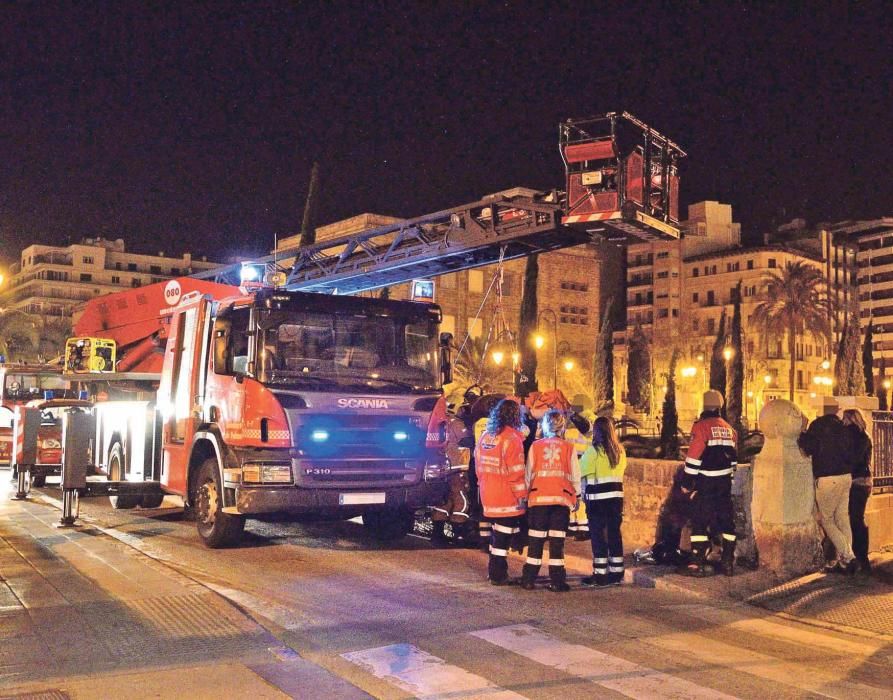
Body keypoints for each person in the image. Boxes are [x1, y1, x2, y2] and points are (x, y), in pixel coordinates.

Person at [520, 410, 581, 592]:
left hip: (538, 501)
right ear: (562, 426)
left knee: (536, 542)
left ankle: (529, 579)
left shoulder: (536, 447)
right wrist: (576, 496)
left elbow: (528, 474)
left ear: (544, 425)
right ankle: (557, 581)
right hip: (561, 501)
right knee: (557, 542)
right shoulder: (569, 447)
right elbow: (575, 475)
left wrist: (524, 496)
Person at [681, 390, 738, 577]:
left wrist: (687, 483)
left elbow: (693, 459)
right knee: (726, 521)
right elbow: (733, 462)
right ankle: (728, 561)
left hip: (706, 482)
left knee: (700, 520)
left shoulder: (701, 427)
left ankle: (697, 562)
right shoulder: (730, 429)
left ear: (704, 406)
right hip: (724, 484)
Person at [798, 396, 858, 575]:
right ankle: (845, 561)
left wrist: (802, 429)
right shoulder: (844, 427)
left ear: (823, 409)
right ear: (837, 409)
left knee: (826, 520)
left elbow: (807, 449)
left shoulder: (817, 425)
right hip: (846, 476)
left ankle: (849, 556)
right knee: (842, 518)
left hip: (827, 478)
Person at [474, 398, 528, 585]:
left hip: (488, 493)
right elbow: (516, 473)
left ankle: (494, 572)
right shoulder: (512, 439)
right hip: (506, 497)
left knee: (497, 534)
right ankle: (498, 574)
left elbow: (478, 466)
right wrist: (522, 497)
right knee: (502, 538)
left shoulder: (486, 436)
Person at [581, 416, 628, 587]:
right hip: (615, 499)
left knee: (598, 537)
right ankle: (617, 572)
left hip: (597, 500)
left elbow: (582, 471)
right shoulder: (620, 451)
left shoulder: (593, 451)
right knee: (614, 534)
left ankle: (600, 574)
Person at [843, 408, 872, 573]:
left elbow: (853, 459)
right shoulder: (865, 436)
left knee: (855, 519)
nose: (842, 422)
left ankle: (860, 557)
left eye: (845, 419)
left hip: (856, 481)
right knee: (856, 518)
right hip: (864, 481)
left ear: (851, 420)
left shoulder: (856, 437)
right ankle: (861, 557)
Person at [565, 413, 592, 541]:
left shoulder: (569, 427)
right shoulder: (586, 428)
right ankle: (576, 525)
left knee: (576, 495)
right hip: (579, 462)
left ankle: (580, 526)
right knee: (576, 494)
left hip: (576, 463)